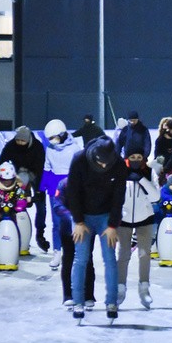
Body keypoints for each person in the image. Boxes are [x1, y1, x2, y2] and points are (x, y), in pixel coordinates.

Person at [65, 136, 128, 321]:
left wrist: (112, 225)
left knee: (109, 259)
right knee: (81, 258)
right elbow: (72, 192)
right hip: (82, 217)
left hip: (105, 217)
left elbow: (119, 197)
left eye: (106, 163)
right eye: (100, 163)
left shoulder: (118, 165)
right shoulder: (80, 159)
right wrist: (77, 221)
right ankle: (78, 302)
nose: (103, 166)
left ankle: (111, 302)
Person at [116, 145, 161, 308]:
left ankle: (144, 288)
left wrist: (141, 179)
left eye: (139, 157)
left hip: (145, 218)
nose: (136, 160)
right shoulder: (119, 172)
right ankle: (120, 288)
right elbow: (114, 195)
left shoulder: (149, 172)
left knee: (144, 254)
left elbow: (156, 197)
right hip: (124, 219)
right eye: (132, 157)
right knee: (123, 253)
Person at [0, 126, 48, 252]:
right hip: (18, 174)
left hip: (35, 174)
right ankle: (18, 233)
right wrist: (0, 178)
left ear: (28, 139)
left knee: (41, 206)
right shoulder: (11, 145)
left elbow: (41, 169)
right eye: (18, 140)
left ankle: (40, 234)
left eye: (22, 141)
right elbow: (1, 162)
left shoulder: (37, 147)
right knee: (16, 203)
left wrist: (38, 191)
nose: (19, 143)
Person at [42, 119, 85, 269]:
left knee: (74, 221)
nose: (52, 141)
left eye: (54, 137)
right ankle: (57, 252)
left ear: (62, 133)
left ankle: (73, 252)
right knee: (57, 223)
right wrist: (42, 188)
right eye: (49, 138)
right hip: (55, 189)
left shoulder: (74, 148)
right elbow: (47, 168)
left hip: (71, 187)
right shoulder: (50, 149)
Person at [52, 178, 97, 308]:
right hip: (68, 229)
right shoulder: (64, 183)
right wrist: (73, 218)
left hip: (87, 228)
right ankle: (68, 295)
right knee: (69, 258)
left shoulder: (93, 183)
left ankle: (89, 295)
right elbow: (57, 205)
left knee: (87, 259)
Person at [0, 162, 28, 268]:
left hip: (12, 216)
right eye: (5, 180)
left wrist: (20, 205)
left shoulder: (16, 188)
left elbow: (22, 197)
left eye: (9, 180)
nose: (7, 183)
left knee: (15, 234)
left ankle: (12, 254)